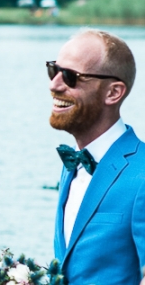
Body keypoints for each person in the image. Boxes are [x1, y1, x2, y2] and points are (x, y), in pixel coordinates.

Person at [49, 29, 145, 284]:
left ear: (113, 92)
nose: (54, 84)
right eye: (53, 70)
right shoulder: (72, 166)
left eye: (70, 76)